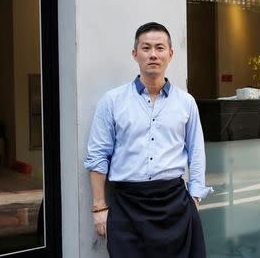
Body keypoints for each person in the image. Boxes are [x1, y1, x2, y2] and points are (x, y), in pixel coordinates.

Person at [84, 22, 213, 258]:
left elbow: (196, 152)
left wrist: (194, 197)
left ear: (170, 54)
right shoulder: (112, 101)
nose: (153, 54)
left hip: (175, 205)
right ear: (135, 54)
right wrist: (99, 207)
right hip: (126, 205)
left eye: (160, 48)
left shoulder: (186, 103)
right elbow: (97, 156)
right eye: (146, 48)